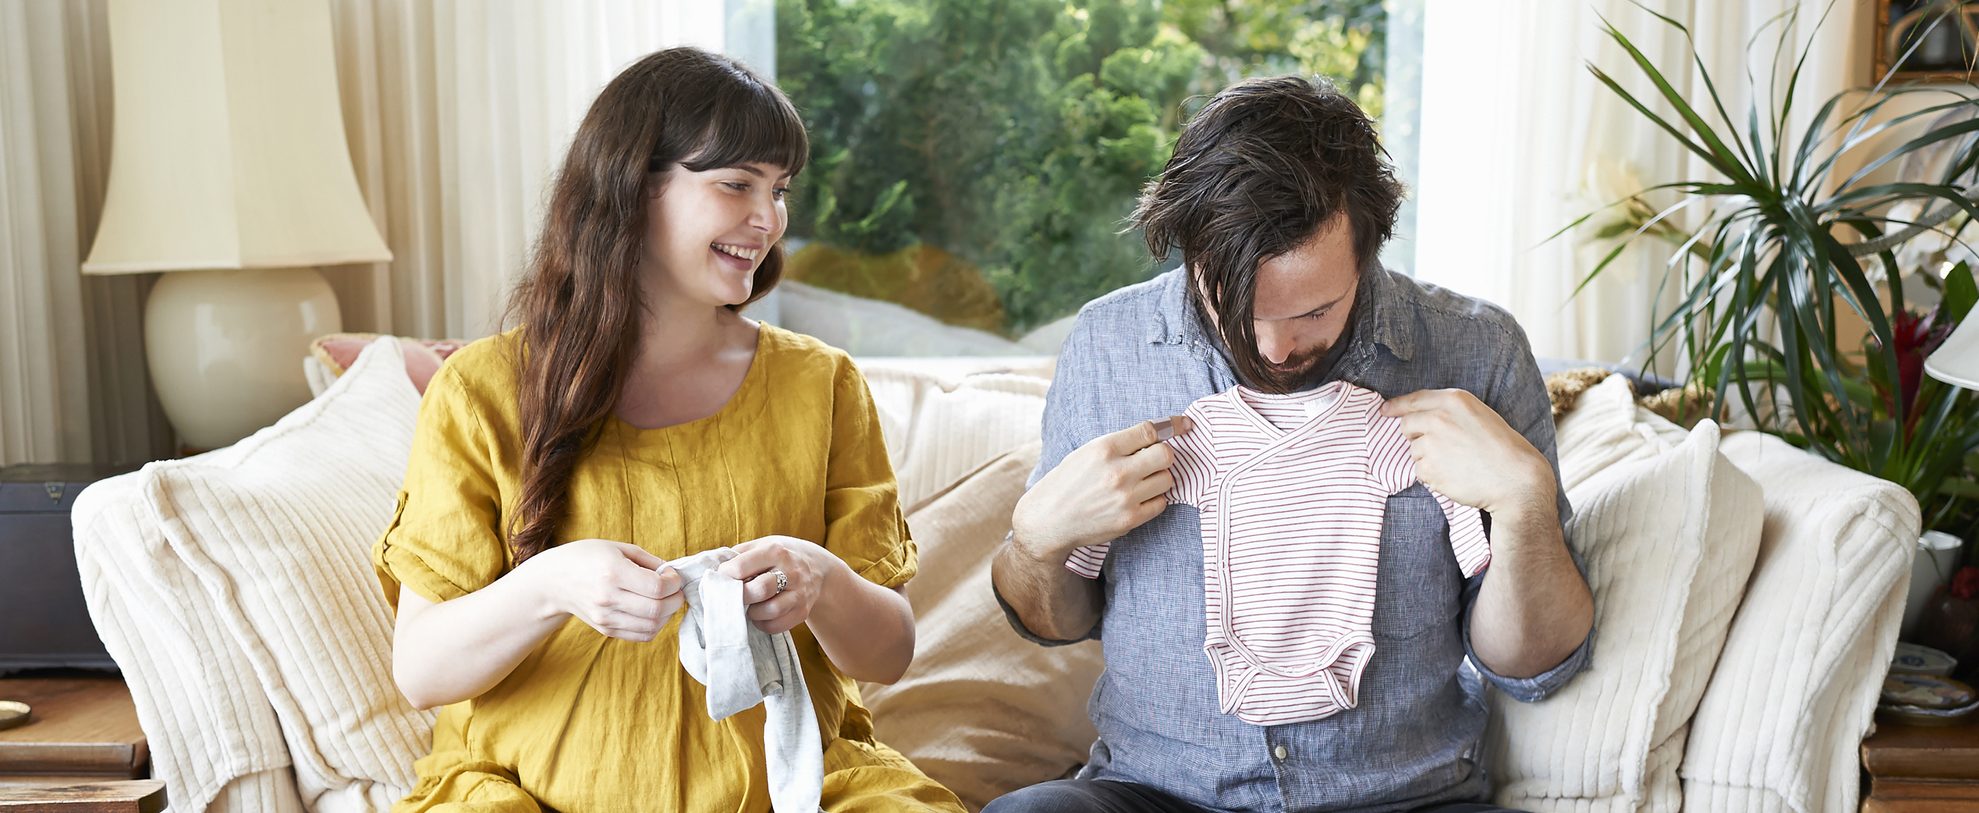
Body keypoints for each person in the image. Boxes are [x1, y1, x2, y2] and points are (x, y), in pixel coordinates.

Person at [371, 47, 965, 813]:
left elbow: (888, 652)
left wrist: (820, 579)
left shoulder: (820, 384)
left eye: (779, 189)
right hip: (523, 794)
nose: (769, 218)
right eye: (735, 184)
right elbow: (421, 669)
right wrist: (550, 585)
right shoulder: (481, 391)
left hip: (803, 789)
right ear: (631, 186)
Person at [985, 75, 1596, 813]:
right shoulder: (1109, 345)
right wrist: (1035, 540)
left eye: (1312, 310)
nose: (1272, 347)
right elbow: (1058, 621)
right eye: (1232, 305)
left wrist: (1523, 502)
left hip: (1405, 797)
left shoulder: (1477, 350)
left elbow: (1535, 667)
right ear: (1183, 250)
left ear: (1369, 248)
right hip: (1154, 792)